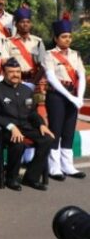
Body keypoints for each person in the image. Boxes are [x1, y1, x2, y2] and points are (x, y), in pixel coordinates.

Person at [0, 58, 55, 191]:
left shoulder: (26, 90)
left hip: (26, 126)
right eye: (11, 72)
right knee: (18, 142)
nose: (15, 74)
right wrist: (11, 126)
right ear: (4, 73)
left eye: (18, 71)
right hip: (5, 129)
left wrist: (41, 124)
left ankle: (31, 178)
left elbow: (32, 112)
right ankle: (11, 178)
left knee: (47, 139)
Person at [44, 15, 87, 180]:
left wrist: (80, 97)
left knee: (69, 130)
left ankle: (68, 165)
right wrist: (70, 96)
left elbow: (81, 76)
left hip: (73, 96)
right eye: (63, 36)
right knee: (56, 129)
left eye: (69, 36)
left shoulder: (75, 54)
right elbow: (51, 78)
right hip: (57, 96)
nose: (67, 39)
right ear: (56, 38)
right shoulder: (50, 55)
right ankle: (54, 167)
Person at [5, 5, 46, 85]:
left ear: (31, 24)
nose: (25, 24)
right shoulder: (8, 42)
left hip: (34, 80)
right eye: (22, 22)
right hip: (14, 81)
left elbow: (43, 66)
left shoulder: (37, 42)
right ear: (16, 25)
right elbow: (4, 63)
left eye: (28, 22)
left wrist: (33, 83)